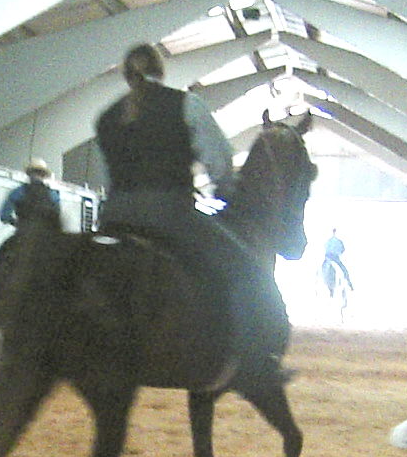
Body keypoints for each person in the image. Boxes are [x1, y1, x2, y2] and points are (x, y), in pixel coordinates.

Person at [93, 43, 287, 360]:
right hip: (171, 217)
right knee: (247, 268)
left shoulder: (106, 119)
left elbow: (106, 178)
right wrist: (224, 190)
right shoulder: (186, 105)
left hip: (114, 219)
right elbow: (219, 159)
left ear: (126, 76)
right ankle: (257, 356)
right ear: (160, 71)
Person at [0, 157, 61, 229]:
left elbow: (4, 215)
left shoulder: (18, 192)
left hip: (24, 232)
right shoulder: (53, 194)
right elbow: (57, 217)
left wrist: (17, 224)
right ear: (44, 175)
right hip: (45, 233)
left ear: (29, 174)